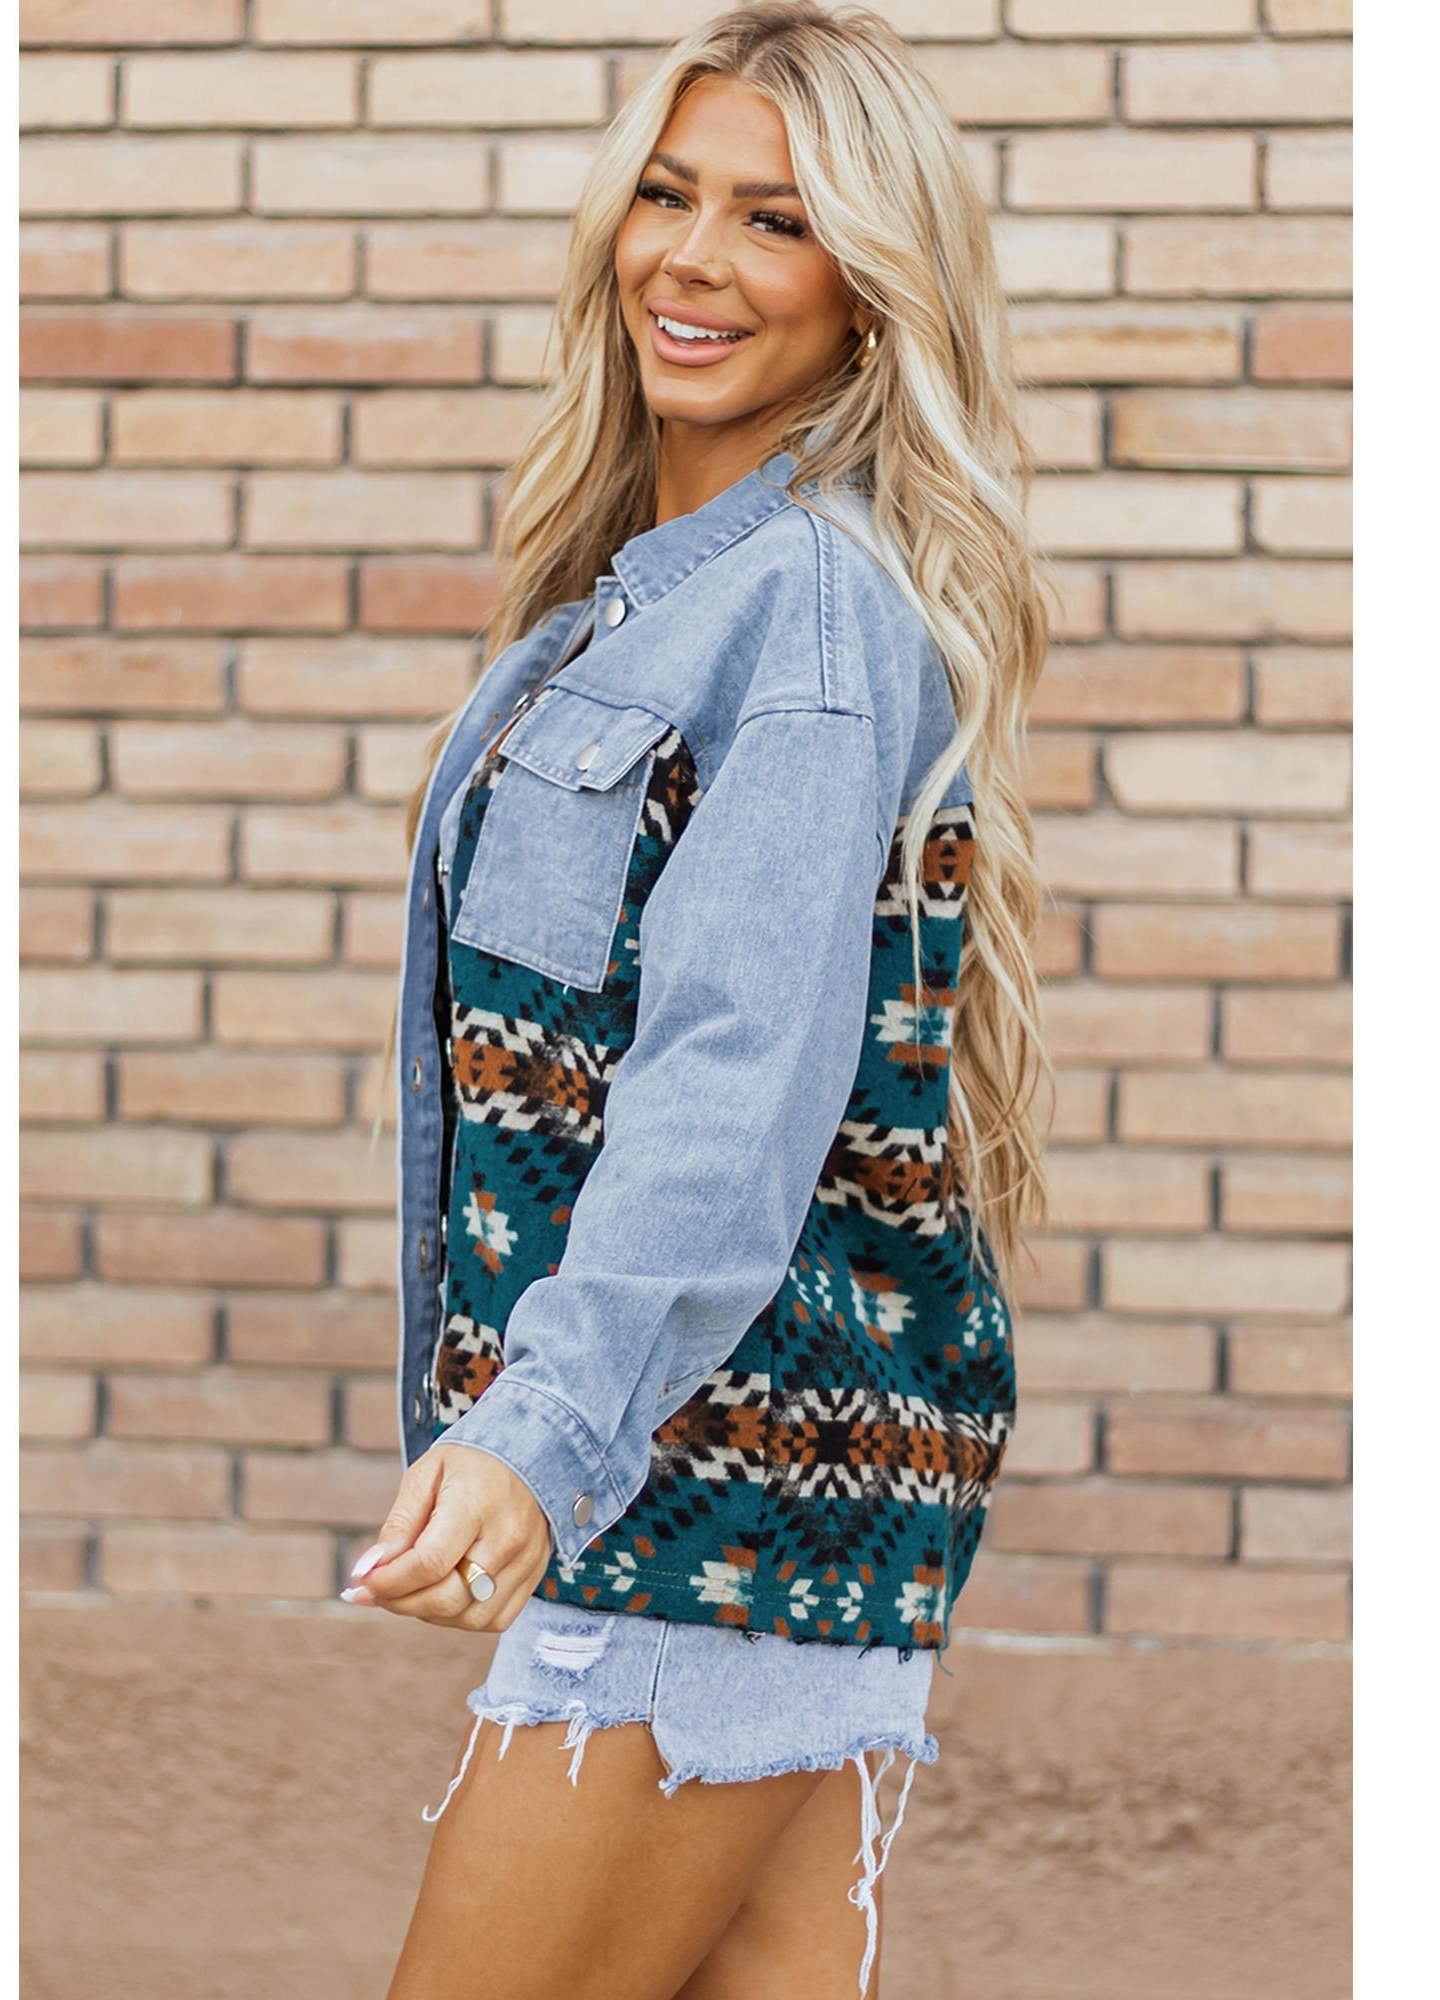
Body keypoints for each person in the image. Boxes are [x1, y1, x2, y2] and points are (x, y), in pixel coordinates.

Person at [351, 6, 1054, 1994]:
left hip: (718, 1484)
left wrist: (541, 1429)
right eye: (668, 195)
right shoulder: (651, 590)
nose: (695, 257)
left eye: (775, 219)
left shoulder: (804, 611)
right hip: (755, 1476)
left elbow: (730, 1076)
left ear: (868, 286)